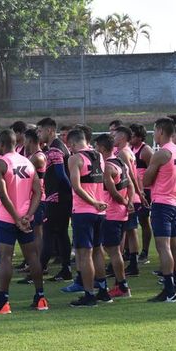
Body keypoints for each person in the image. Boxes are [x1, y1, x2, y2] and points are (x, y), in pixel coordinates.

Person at [0, 129, 47, 314]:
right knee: (33, 257)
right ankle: (40, 298)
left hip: (7, 219)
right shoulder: (28, 161)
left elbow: (2, 194)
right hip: (27, 218)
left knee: (5, 259)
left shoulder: (0, 163)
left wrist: (17, 218)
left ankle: (4, 302)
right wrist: (28, 215)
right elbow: (38, 192)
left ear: (1, 145)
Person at [143, 118, 176, 302]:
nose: (153, 134)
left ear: (160, 131)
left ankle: (170, 291)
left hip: (162, 203)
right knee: (175, 245)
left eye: (154, 130)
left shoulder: (162, 153)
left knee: (163, 247)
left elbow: (146, 181)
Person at [65, 130, 111, 307]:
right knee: (98, 250)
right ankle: (103, 290)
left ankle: (89, 295)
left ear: (73, 144)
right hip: (100, 211)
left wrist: (93, 202)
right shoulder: (98, 156)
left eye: (70, 145)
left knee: (84, 254)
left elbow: (76, 187)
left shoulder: (75, 158)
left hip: (85, 210)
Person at [96, 134, 134, 298]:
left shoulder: (107, 167)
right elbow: (130, 184)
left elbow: (113, 192)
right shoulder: (121, 163)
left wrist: (126, 202)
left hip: (111, 213)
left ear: (102, 148)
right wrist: (130, 202)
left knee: (113, 251)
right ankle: (120, 284)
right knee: (115, 250)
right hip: (121, 213)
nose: (95, 149)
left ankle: (123, 287)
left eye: (96, 147)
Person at [37, 117, 73, 281]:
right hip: (62, 198)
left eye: (40, 131)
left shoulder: (55, 150)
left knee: (49, 234)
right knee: (62, 234)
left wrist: (68, 191)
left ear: (50, 130)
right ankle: (66, 269)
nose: (39, 134)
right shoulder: (61, 146)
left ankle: (38, 270)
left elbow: (61, 175)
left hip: (56, 198)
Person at [113, 126, 147, 276]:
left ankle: (118, 264)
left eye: (114, 136)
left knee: (122, 232)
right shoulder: (129, 152)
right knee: (131, 231)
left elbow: (130, 177)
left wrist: (137, 193)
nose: (112, 138)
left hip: (129, 197)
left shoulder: (123, 153)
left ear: (121, 137)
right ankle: (132, 264)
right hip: (134, 196)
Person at [15, 128, 46, 282]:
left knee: (37, 234)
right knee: (34, 234)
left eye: (25, 140)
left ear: (30, 140)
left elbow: (20, 171)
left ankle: (39, 265)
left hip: (39, 200)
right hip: (33, 199)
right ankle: (34, 265)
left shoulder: (37, 157)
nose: (23, 143)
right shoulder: (32, 156)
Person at [129, 123, 154, 264]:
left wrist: (144, 189)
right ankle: (131, 252)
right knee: (131, 223)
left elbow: (154, 171)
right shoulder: (130, 149)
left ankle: (144, 252)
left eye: (132, 135)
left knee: (144, 221)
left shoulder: (146, 151)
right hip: (134, 191)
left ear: (139, 137)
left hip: (146, 191)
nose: (130, 138)